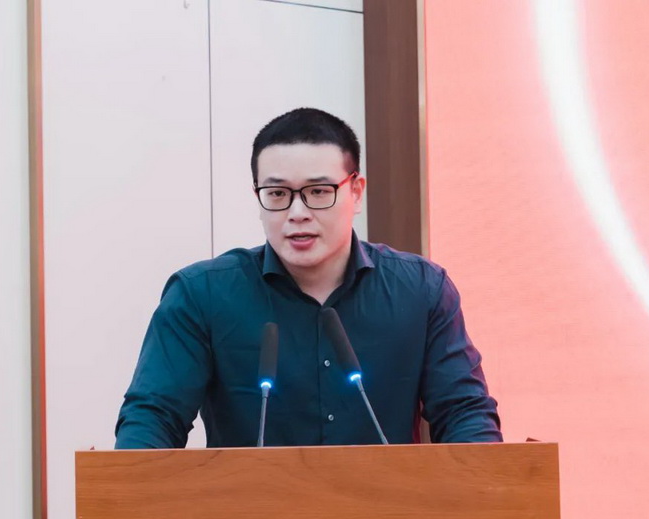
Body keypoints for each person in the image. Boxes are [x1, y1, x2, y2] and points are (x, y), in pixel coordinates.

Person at [115, 108, 501, 448]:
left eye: (318, 191)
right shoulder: (201, 295)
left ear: (356, 192)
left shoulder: (421, 290)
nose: (297, 213)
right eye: (277, 194)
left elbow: (464, 413)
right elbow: (153, 417)